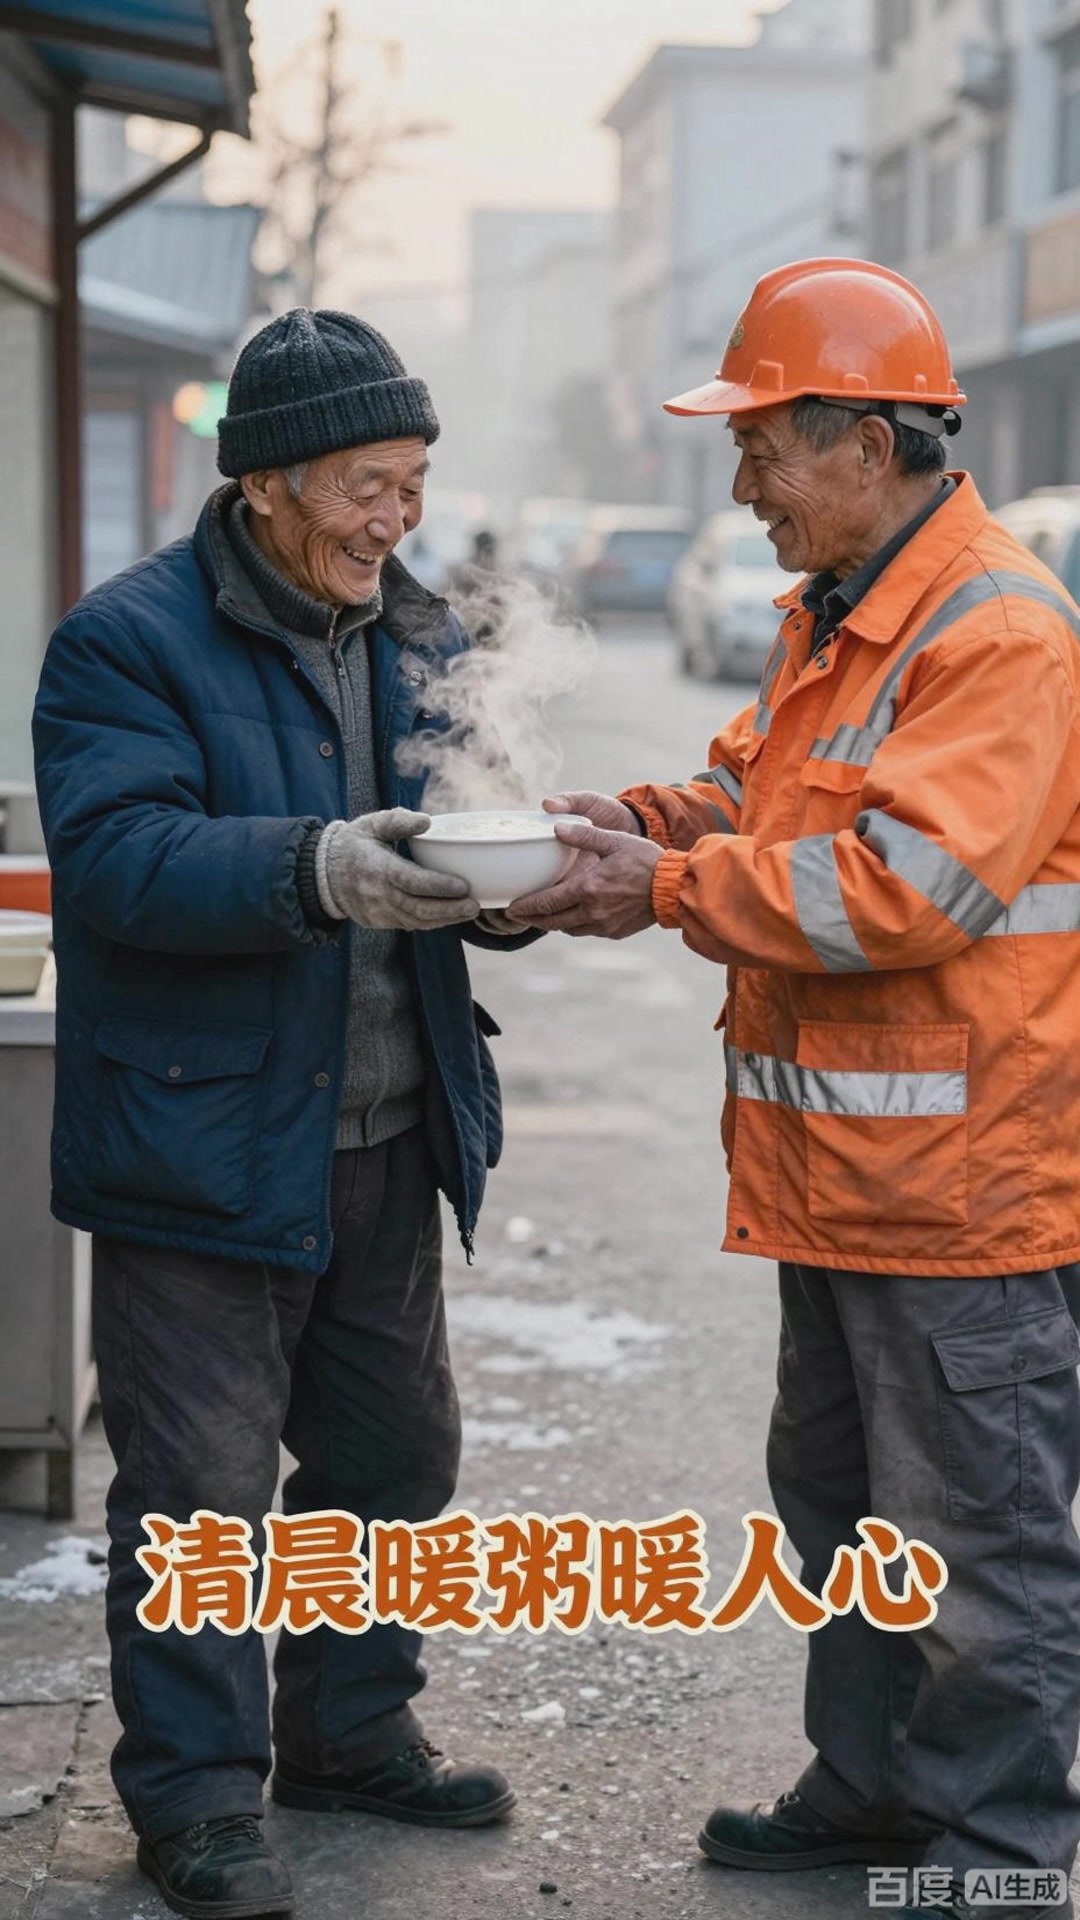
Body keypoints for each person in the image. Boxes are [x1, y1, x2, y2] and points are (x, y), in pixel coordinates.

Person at [508, 259, 1080, 1920]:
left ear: (865, 443)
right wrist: (624, 830)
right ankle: (874, 1788)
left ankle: (999, 1862)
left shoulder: (997, 632)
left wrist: (664, 889)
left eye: (762, 448)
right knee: (848, 1521)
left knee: (980, 1550)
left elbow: (907, 887)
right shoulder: (842, 611)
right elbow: (756, 796)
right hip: (847, 1179)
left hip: (964, 1190)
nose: (744, 484)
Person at [32, 308, 534, 1920]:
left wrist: (517, 881)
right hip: (202, 1147)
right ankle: (192, 1798)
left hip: (386, 1131)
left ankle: (349, 1737)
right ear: (263, 482)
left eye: (414, 482)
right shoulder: (126, 642)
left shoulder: (417, 633)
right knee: (199, 1491)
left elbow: (456, 828)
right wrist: (319, 867)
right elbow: (120, 860)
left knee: (393, 1454)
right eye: (365, 486)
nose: (396, 518)